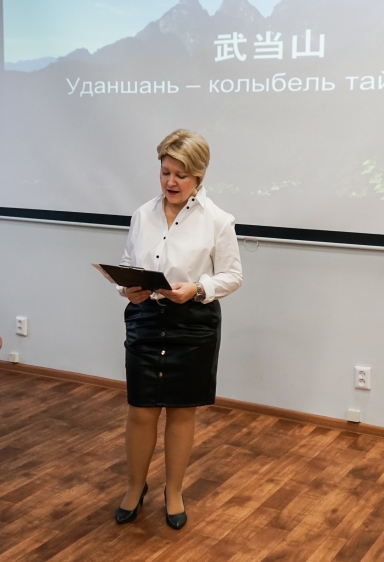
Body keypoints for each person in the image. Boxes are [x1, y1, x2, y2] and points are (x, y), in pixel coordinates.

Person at [114, 130, 242, 530]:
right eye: (165, 172)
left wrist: (198, 289)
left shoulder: (218, 220)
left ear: (198, 177)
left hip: (193, 324)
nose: (170, 182)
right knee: (141, 410)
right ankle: (135, 488)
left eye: (180, 175)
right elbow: (127, 264)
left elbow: (233, 276)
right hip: (146, 319)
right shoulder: (142, 215)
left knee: (182, 412)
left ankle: (173, 492)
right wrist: (127, 289)